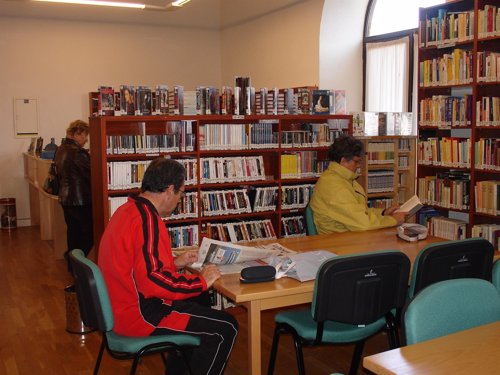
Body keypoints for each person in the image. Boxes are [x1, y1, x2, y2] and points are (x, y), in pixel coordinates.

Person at [98, 158, 238, 375]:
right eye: (181, 193)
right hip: (140, 315)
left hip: (120, 304)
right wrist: (201, 281)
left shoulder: (128, 210)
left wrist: (174, 263)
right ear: (170, 190)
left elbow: (137, 267)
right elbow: (154, 281)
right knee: (226, 328)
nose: (180, 199)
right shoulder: (149, 222)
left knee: (199, 302)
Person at [310, 135, 406, 234]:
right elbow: (364, 224)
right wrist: (393, 220)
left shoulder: (340, 178)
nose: (359, 165)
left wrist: (383, 213)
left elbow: (358, 212)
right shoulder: (335, 188)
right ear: (343, 161)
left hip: (349, 234)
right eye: (356, 162)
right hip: (340, 241)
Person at [54, 120, 93, 264]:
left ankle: (72, 262)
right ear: (76, 134)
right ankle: (78, 262)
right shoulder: (78, 153)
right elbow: (91, 175)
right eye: (84, 135)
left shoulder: (61, 149)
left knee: (73, 233)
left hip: (66, 198)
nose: (86, 139)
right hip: (81, 200)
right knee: (88, 234)